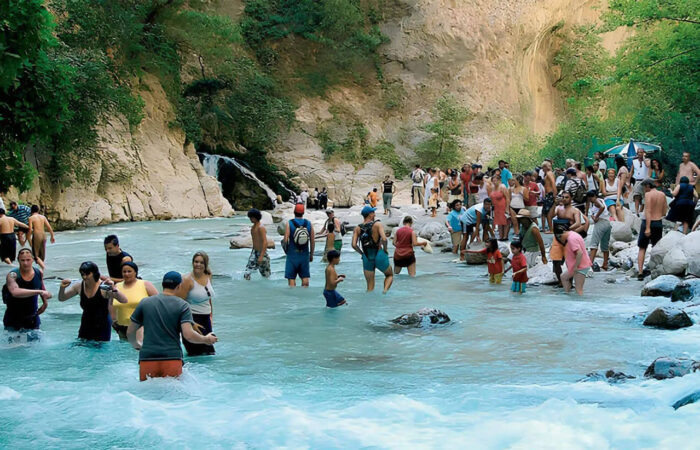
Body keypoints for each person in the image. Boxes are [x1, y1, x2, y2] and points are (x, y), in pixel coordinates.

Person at [127, 271, 218, 381]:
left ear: (162, 284)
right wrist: (206, 339)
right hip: (172, 357)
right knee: (173, 395)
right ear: (179, 286)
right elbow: (188, 335)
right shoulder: (183, 305)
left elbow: (130, 332)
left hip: (147, 357)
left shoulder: (145, 302)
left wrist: (137, 344)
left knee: (146, 396)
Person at [58, 261, 127, 342]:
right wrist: (62, 288)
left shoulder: (103, 287)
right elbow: (62, 298)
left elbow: (124, 300)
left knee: (100, 349)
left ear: (94, 273)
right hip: (86, 323)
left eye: (87, 274)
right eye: (82, 274)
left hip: (102, 324)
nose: (84, 277)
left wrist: (114, 289)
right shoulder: (79, 286)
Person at [3, 249, 51, 336]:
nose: (25, 263)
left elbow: (41, 286)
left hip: (32, 318)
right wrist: (39, 292)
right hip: (14, 319)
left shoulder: (38, 272)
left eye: (28, 260)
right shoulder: (13, 275)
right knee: (18, 348)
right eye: (22, 260)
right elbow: (15, 292)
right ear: (18, 260)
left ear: (33, 259)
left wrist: (45, 302)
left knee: (34, 347)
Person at [180, 251, 216, 356]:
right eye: (196, 262)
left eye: (201, 262)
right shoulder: (187, 280)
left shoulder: (209, 275)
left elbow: (208, 299)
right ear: (192, 263)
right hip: (192, 318)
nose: (198, 265)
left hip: (206, 318)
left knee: (210, 352)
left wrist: (211, 316)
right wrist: (191, 323)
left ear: (205, 264)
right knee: (195, 354)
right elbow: (181, 303)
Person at [352, 206, 393, 293]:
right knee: (389, 275)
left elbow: (354, 245)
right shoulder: (377, 225)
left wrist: (361, 253)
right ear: (370, 214)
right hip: (379, 254)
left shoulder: (357, 228)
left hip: (367, 257)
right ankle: (385, 291)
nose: (374, 214)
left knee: (369, 287)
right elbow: (384, 239)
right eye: (373, 212)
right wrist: (385, 249)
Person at [113, 262, 157, 340]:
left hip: (141, 327)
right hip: (122, 328)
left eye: (129, 271)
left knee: (139, 350)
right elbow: (111, 305)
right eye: (124, 272)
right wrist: (113, 321)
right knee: (125, 351)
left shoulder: (145, 284)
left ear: (135, 272)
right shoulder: (116, 287)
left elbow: (159, 302)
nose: (126, 274)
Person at [637, 179, 669, 278]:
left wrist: (647, 228)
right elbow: (664, 211)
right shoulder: (662, 195)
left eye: (644, 187)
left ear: (647, 186)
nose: (644, 190)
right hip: (658, 223)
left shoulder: (648, 195)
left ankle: (640, 272)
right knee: (656, 248)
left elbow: (648, 211)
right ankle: (655, 271)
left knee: (642, 248)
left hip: (648, 223)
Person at [550, 192, 581, 285]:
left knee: (570, 261)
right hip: (557, 237)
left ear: (571, 198)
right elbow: (551, 216)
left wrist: (568, 229)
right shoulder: (558, 209)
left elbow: (578, 223)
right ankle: (560, 281)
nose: (564, 199)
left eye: (566, 197)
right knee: (555, 260)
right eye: (563, 197)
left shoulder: (575, 210)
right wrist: (554, 204)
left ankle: (570, 281)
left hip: (569, 237)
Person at [283, 203, 314, 287]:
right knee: (305, 279)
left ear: (294, 212)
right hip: (304, 255)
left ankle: (293, 299)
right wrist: (311, 255)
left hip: (292, 254)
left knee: (292, 280)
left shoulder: (289, 223)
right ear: (303, 213)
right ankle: (304, 298)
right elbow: (312, 241)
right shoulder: (308, 223)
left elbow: (285, 240)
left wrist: (286, 251)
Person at [556, 229, 592, 295]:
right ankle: (568, 295)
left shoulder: (571, 239)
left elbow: (579, 253)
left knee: (578, 289)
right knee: (564, 277)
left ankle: (579, 303)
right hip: (578, 265)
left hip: (580, 266)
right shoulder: (572, 234)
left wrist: (576, 266)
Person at [587, 191, 611, 271]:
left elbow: (602, 207)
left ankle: (590, 264)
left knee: (594, 244)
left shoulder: (596, 201)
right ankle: (605, 264)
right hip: (607, 223)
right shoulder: (601, 200)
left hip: (600, 223)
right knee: (605, 245)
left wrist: (596, 217)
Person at [244, 209, 271, 280]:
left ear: (256, 217)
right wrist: (252, 253)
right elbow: (254, 242)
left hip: (262, 253)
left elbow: (265, 242)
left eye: (251, 218)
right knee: (247, 272)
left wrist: (261, 256)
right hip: (254, 252)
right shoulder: (253, 228)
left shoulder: (261, 228)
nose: (250, 219)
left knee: (265, 275)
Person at [27, 205, 55, 270]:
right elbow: (49, 227)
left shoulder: (31, 218)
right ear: (38, 210)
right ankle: (42, 271)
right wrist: (52, 236)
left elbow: (30, 229)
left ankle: (43, 268)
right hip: (44, 235)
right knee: (42, 255)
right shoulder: (43, 217)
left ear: (31, 210)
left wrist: (28, 237)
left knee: (35, 255)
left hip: (37, 235)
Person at [489, 169, 510, 240]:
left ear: (499, 180)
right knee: (499, 222)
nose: (494, 182)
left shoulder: (503, 186)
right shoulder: (492, 187)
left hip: (503, 205)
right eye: (493, 181)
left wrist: (507, 208)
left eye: (495, 180)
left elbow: (507, 198)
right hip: (496, 207)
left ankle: (505, 236)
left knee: (505, 221)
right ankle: (501, 236)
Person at [631, 149, 649, 215]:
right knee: (636, 196)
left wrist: (644, 158)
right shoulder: (634, 161)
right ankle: (636, 211)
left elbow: (647, 165)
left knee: (645, 197)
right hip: (637, 180)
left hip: (645, 181)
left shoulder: (647, 160)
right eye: (638, 152)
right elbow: (631, 171)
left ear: (644, 153)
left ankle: (642, 211)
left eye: (641, 152)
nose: (639, 154)